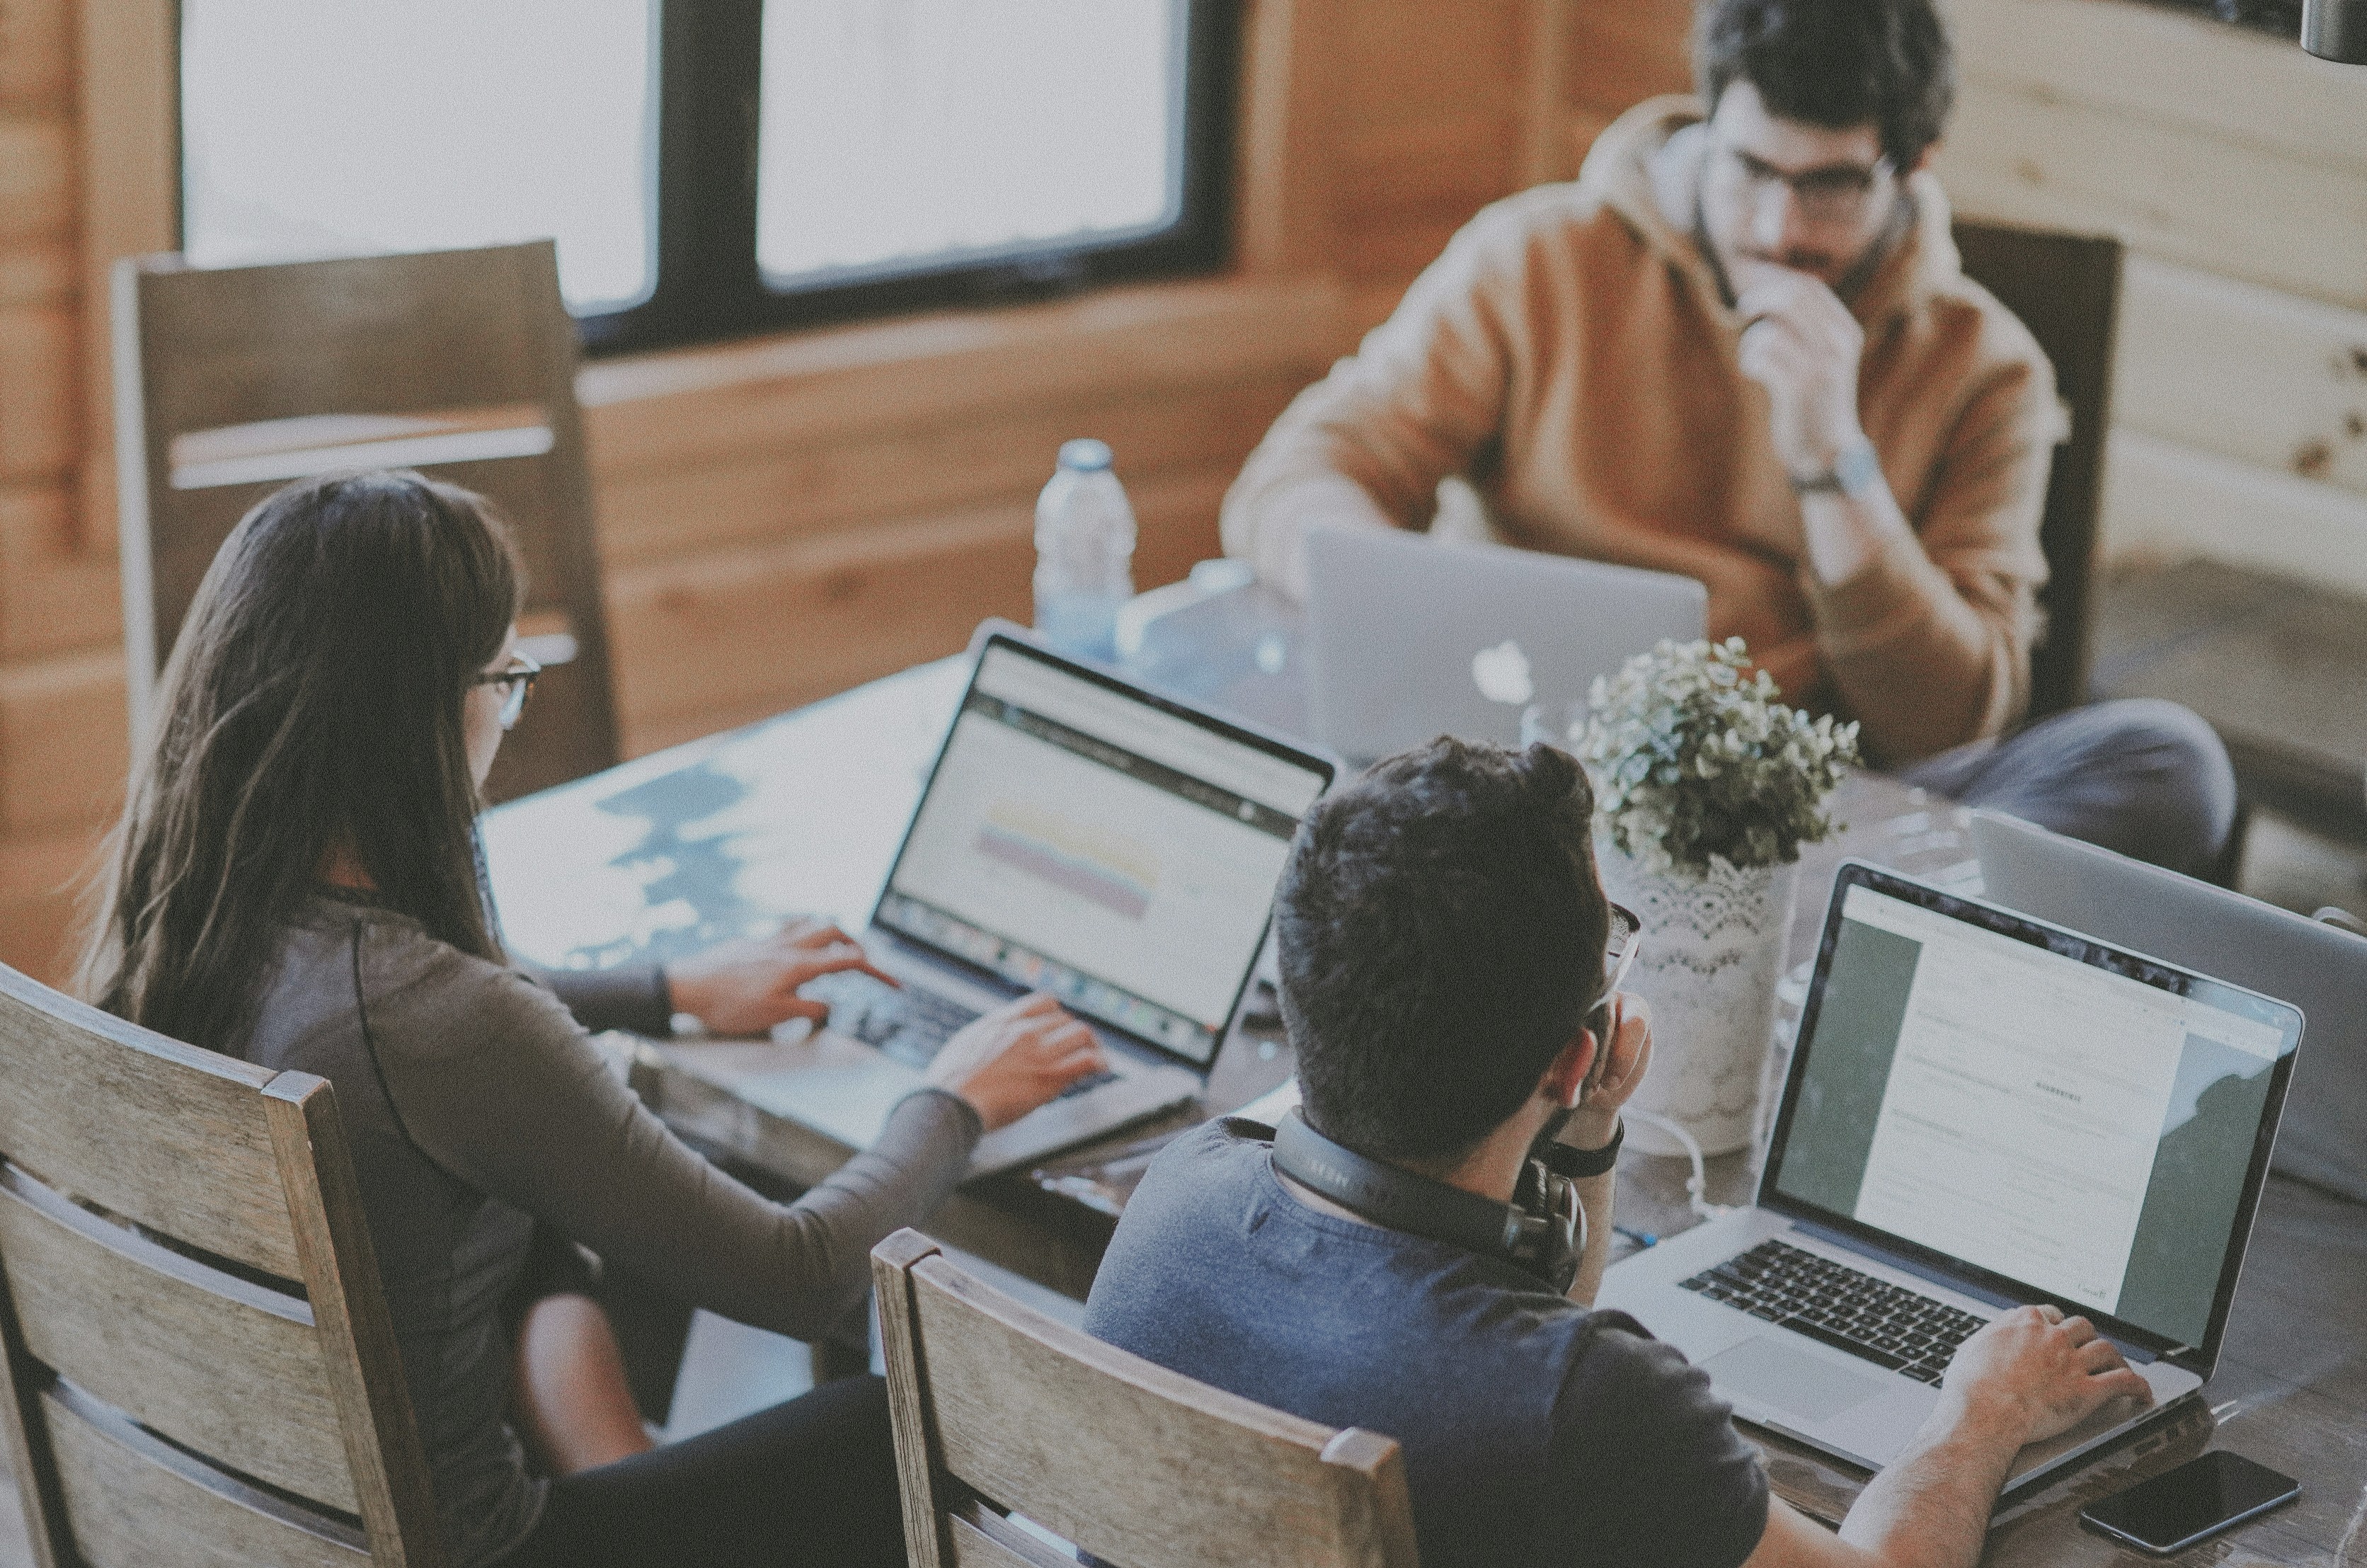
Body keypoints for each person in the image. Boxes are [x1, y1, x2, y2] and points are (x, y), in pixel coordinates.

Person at [77, 469, 1109, 1568]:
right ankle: (625, 1475)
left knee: (563, 1231)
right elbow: (802, 1276)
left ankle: (617, 1458)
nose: (508, 715)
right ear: (420, 713)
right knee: (868, 1429)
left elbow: (444, 1028)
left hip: (237, 1520)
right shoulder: (443, 1024)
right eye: (506, 679)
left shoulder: (195, 915)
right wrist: (954, 1096)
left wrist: (669, 992)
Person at [1220, 0, 2234, 877]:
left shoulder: (1986, 369)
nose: (1779, 227)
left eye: (1832, 185)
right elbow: (1297, 479)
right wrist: (1410, 613)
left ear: (1912, 165)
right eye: (1749, 168)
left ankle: (1767, 938)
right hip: (1522, 773)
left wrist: (1835, 460)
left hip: (1804, 815)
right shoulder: (1538, 258)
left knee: (2168, 764)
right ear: (1709, 118)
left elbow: (1952, 722)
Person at [1086, 738, 2154, 1568]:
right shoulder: (1590, 1407)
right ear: (1568, 1057)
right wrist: (1983, 1411)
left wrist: (1587, 1130)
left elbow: (1525, 1325)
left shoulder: (1176, 1199)